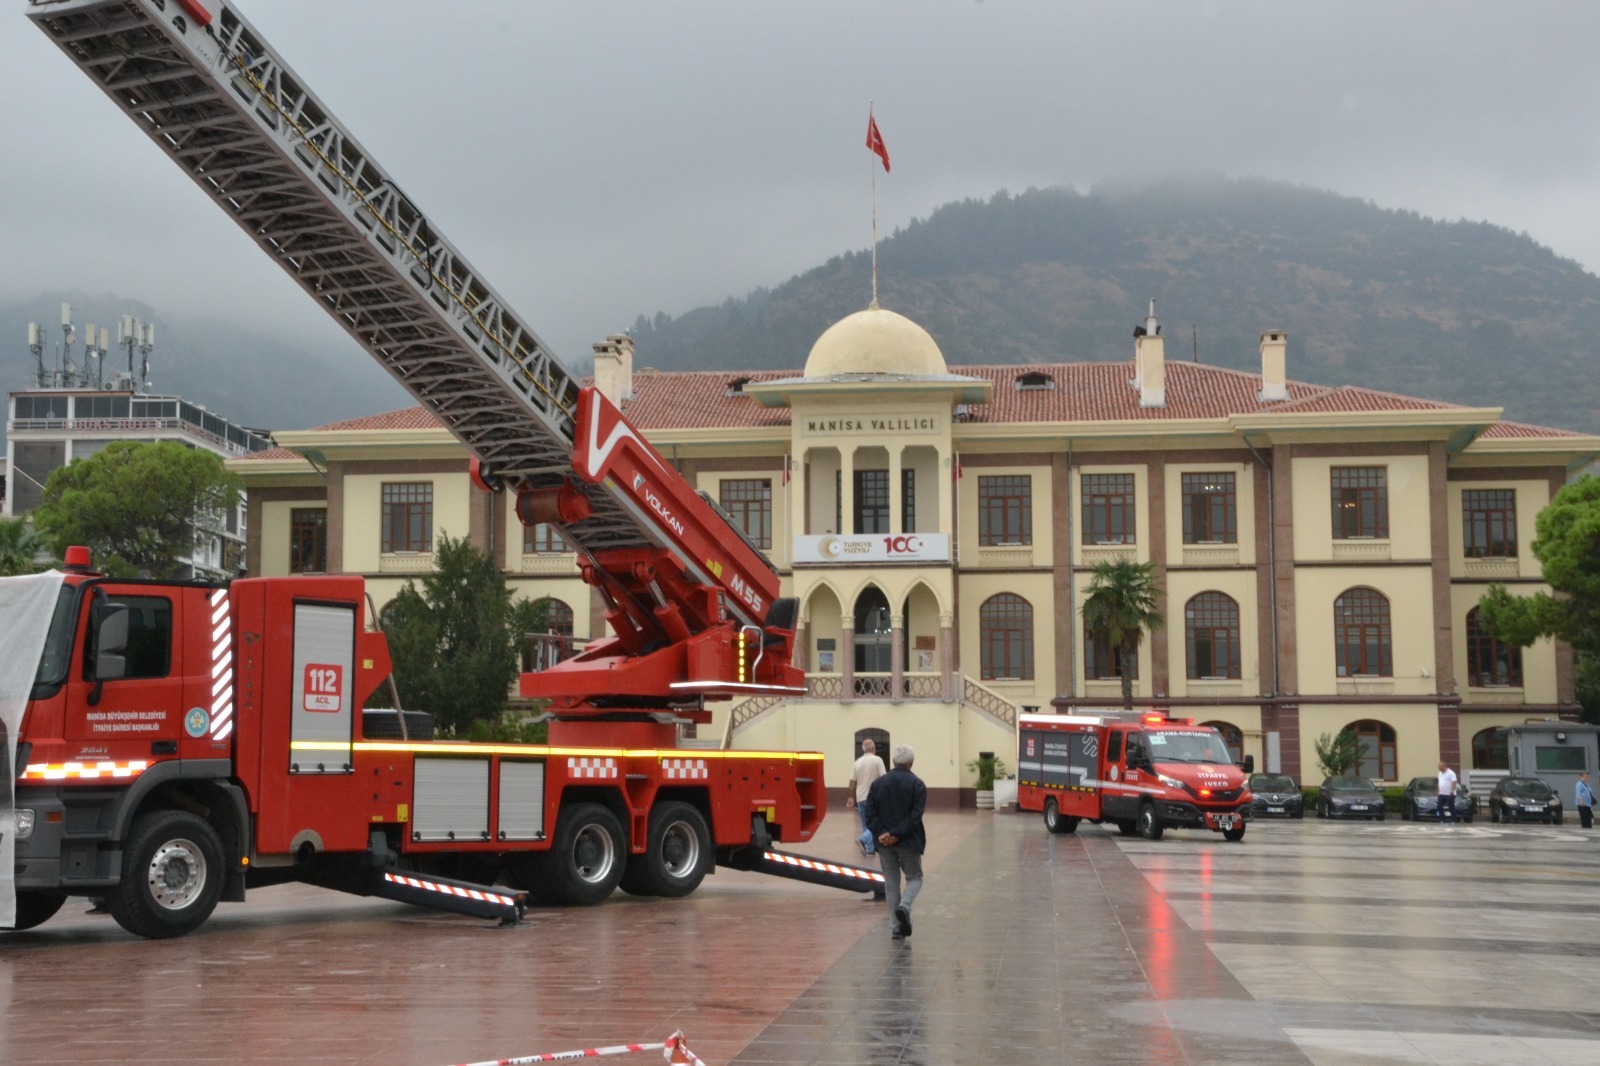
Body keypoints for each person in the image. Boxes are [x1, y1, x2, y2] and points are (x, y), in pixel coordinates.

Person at [865, 744, 927, 941]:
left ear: (893, 761)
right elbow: (915, 817)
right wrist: (897, 834)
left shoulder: (878, 784)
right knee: (915, 877)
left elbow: (869, 812)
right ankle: (905, 907)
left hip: (884, 844)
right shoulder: (918, 785)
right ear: (911, 762)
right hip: (909, 841)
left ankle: (896, 928)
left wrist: (883, 833)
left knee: (891, 884)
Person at [845, 739, 886, 857]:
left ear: (863, 749)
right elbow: (883, 778)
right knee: (877, 822)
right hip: (873, 797)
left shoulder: (857, 762)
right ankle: (863, 840)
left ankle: (869, 850)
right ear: (874, 749)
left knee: (865, 824)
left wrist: (851, 797)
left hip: (860, 798)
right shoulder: (878, 760)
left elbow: (852, 781)